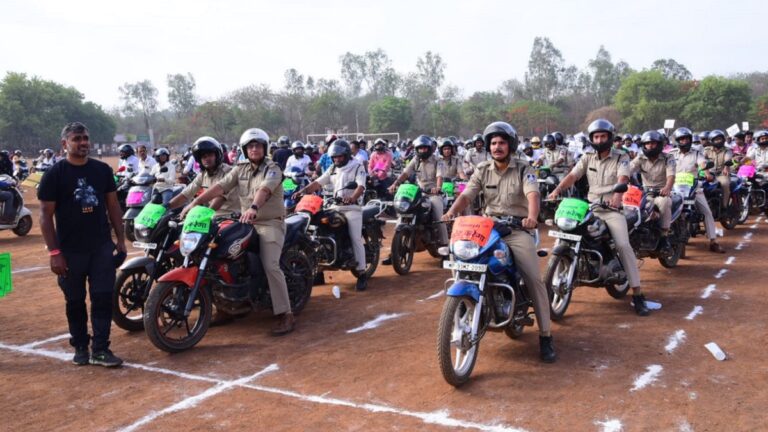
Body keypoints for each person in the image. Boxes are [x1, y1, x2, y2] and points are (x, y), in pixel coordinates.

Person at [442, 121, 556, 363]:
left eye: (502, 142)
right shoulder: (482, 169)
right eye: (493, 143)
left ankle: (545, 335)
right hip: (487, 228)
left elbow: (533, 195)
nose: (497, 147)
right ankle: (468, 304)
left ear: (510, 145)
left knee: (534, 279)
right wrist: (451, 212)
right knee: (462, 260)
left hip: (517, 230)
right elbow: (467, 194)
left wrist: (532, 218)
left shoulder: (525, 169)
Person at [181, 128, 295, 335]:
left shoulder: (273, 168)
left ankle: (285, 313)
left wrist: (253, 207)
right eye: (250, 146)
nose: (254, 149)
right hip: (244, 223)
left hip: (269, 223)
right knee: (217, 255)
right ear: (244, 149)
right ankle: (225, 308)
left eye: (258, 145)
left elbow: (265, 190)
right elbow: (220, 187)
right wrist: (194, 203)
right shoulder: (239, 169)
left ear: (265, 148)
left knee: (270, 265)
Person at [38, 122, 125, 367]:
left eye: (85, 138)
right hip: (70, 251)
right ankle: (80, 347)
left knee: (103, 298)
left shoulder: (102, 170)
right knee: (75, 301)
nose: (83, 143)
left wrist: (120, 240)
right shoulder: (54, 174)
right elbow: (45, 216)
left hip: (101, 248)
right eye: (77, 139)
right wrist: (55, 252)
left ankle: (101, 349)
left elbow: (113, 206)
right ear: (65, 143)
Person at [548, 119, 650, 316]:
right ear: (591, 139)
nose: (600, 140)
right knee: (565, 232)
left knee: (623, 245)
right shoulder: (587, 157)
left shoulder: (621, 156)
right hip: (590, 207)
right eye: (596, 137)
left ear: (610, 137)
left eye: (603, 136)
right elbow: (573, 175)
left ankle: (638, 294)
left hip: (611, 210)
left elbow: (623, 178)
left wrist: (617, 197)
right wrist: (557, 190)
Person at [292, 139, 369, 290]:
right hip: (334, 206)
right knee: (318, 233)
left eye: (339, 157)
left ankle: (361, 273)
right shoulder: (333, 168)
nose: (337, 159)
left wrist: (352, 198)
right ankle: (318, 272)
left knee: (355, 238)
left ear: (346, 155)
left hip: (352, 208)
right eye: (334, 157)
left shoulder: (357, 166)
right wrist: (302, 191)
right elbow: (318, 182)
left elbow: (361, 186)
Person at [669, 127, 725, 253]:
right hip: (674, 187)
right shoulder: (671, 154)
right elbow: (664, 166)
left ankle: (713, 241)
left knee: (706, 212)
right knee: (665, 208)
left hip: (693, 187)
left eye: (686, 139)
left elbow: (703, 163)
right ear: (677, 141)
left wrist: (707, 173)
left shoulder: (696, 153)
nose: (684, 141)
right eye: (681, 139)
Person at [388, 135, 449, 247]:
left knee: (438, 215)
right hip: (418, 192)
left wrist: (438, 188)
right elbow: (405, 173)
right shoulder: (415, 160)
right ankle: (396, 248)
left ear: (430, 149)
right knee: (404, 211)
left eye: (424, 148)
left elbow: (439, 176)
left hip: (433, 193)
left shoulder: (438, 160)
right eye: (420, 148)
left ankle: (445, 245)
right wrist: (395, 184)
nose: (422, 150)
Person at [630, 131, 676, 251]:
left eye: (653, 143)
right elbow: (628, 169)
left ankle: (664, 236)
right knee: (629, 208)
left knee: (664, 203)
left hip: (662, 193)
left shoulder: (668, 158)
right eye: (647, 143)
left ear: (659, 144)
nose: (650, 145)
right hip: (645, 193)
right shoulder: (640, 158)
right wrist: (620, 177)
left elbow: (671, 175)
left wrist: (667, 187)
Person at [169, 136, 237, 217]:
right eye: (204, 157)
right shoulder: (203, 175)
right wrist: (166, 207)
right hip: (211, 217)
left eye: (210, 155)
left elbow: (220, 198)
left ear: (217, 155)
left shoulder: (228, 172)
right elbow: (186, 194)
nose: (207, 159)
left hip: (229, 217)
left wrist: (204, 214)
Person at [703, 130, 733, 211]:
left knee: (725, 184)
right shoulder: (707, 150)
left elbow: (728, 159)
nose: (719, 141)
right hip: (708, 173)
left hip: (721, 174)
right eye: (716, 139)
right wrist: (706, 173)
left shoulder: (727, 150)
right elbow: (702, 161)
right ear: (711, 140)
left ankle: (724, 206)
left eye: (720, 139)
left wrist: (726, 167)